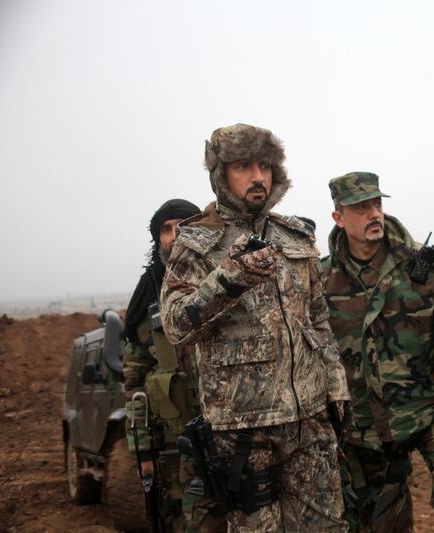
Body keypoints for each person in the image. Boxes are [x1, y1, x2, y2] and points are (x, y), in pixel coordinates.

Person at [160, 124, 352, 532]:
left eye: (265, 165)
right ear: (220, 174)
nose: (258, 176)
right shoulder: (196, 243)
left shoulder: (295, 235)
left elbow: (318, 320)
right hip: (243, 431)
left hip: (309, 421)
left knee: (327, 527)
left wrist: (336, 387)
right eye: (243, 166)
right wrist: (229, 278)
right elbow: (176, 325)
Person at [321, 172, 434, 532]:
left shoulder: (423, 269)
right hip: (365, 430)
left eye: (377, 205)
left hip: (432, 411)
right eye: (361, 208)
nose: (373, 214)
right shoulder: (322, 281)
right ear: (338, 217)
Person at [123, 198, 228, 531]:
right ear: (157, 241)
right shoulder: (146, 306)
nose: (175, 235)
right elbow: (135, 386)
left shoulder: (226, 283)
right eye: (166, 230)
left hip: (235, 434)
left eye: (184, 226)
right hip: (175, 447)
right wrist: (144, 455)